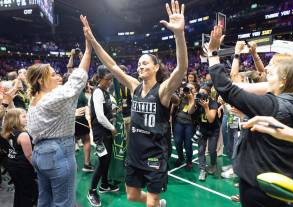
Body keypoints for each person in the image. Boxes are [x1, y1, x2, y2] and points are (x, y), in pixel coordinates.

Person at [80, 0, 188, 206]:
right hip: (134, 153)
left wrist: (179, 34)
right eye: (138, 64)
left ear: (156, 67)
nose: (140, 66)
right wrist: (93, 40)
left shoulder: (163, 90)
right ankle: (159, 203)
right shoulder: (135, 86)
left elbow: (181, 68)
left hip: (155, 155)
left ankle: (156, 203)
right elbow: (111, 65)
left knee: (150, 203)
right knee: (132, 196)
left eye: (145, 63)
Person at [207, 25, 293, 207]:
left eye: (271, 71)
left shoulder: (272, 105)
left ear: (283, 80)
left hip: (261, 185)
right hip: (284, 179)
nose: (266, 72)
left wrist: (212, 53)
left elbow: (227, 89)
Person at [26, 28, 92, 207]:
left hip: (40, 154)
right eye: (53, 74)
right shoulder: (51, 98)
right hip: (58, 152)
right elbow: (78, 78)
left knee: (45, 199)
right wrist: (88, 50)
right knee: (64, 203)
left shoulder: (34, 100)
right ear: (41, 81)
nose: (58, 77)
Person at [87, 66, 119, 206]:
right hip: (101, 134)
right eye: (107, 79)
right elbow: (100, 116)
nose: (110, 82)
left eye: (111, 79)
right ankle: (92, 191)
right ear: (100, 78)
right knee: (102, 161)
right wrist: (112, 128)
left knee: (107, 159)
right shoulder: (98, 92)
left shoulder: (105, 92)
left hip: (106, 132)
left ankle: (104, 185)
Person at [1, 108, 37, 207]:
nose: (27, 118)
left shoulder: (7, 132)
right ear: (15, 119)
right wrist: (37, 168)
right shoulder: (23, 135)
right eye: (24, 116)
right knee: (28, 194)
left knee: (19, 191)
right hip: (23, 167)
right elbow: (29, 155)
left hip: (12, 165)